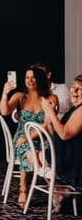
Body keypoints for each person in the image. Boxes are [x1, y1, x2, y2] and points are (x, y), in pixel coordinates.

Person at [0, 65, 57, 208]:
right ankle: (25, 189)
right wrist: (5, 93)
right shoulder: (20, 96)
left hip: (43, 138)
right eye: (27, 77)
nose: (29, 80)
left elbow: (46, 123)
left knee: (41, 153)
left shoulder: (51, 97)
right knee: (26, 148)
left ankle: (52, 190)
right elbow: (4, 111)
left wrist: (30, 137)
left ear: (40, 79)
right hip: (21, 138)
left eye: (33, 77)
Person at [40, 74, 82, 212]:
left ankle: (60, 190)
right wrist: (50, 117)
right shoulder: (74, 109)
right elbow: (56, 133)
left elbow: (64, 134)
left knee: (36, 156)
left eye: (79, 89)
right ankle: (60, 189)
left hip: (74, 161)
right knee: (33, 156)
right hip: (67, 154)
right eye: (73, 87)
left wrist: (52, 113)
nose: (74, 91)